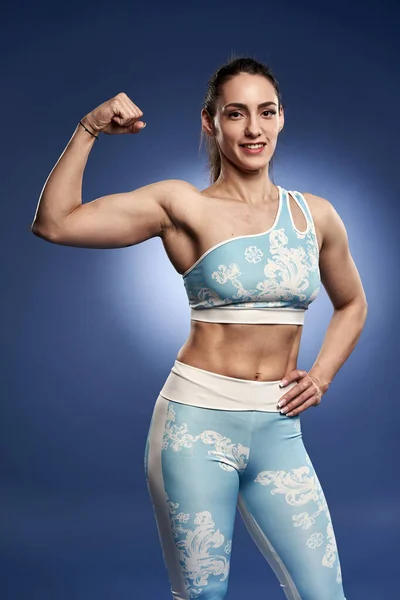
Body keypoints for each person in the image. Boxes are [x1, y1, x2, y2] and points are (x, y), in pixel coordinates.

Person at [31, 56, 368, 599]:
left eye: (266, 112)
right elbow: (55, 223)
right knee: (203, 597)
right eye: (236, 114)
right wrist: (88, 129)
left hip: (278, 430)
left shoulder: (316, 216)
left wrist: (323, 376)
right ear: (210, 121)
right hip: (194, 429)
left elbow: (352, 302)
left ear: (282, 118)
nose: (253, 129)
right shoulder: (180, 204)